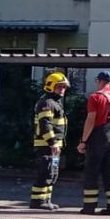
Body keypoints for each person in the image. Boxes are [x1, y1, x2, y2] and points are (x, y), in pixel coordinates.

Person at [77, 71, 110, 215]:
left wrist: (83, 141)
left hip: (100, 134)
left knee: (92, 170)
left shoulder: (95, 97)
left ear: (99, 81)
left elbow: (91, 120)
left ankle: (89, 207)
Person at [30, 72, 69, 210]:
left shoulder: (54, 102)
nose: (62, 90)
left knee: (52, 173)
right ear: (51, 86)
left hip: (54, 146)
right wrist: (52, 142)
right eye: (59, 87)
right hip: (46, 146)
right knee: (45, 172)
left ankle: (46, 200)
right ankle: (38, 201)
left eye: (64, 87)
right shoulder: (47, 103)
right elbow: (45, 124)